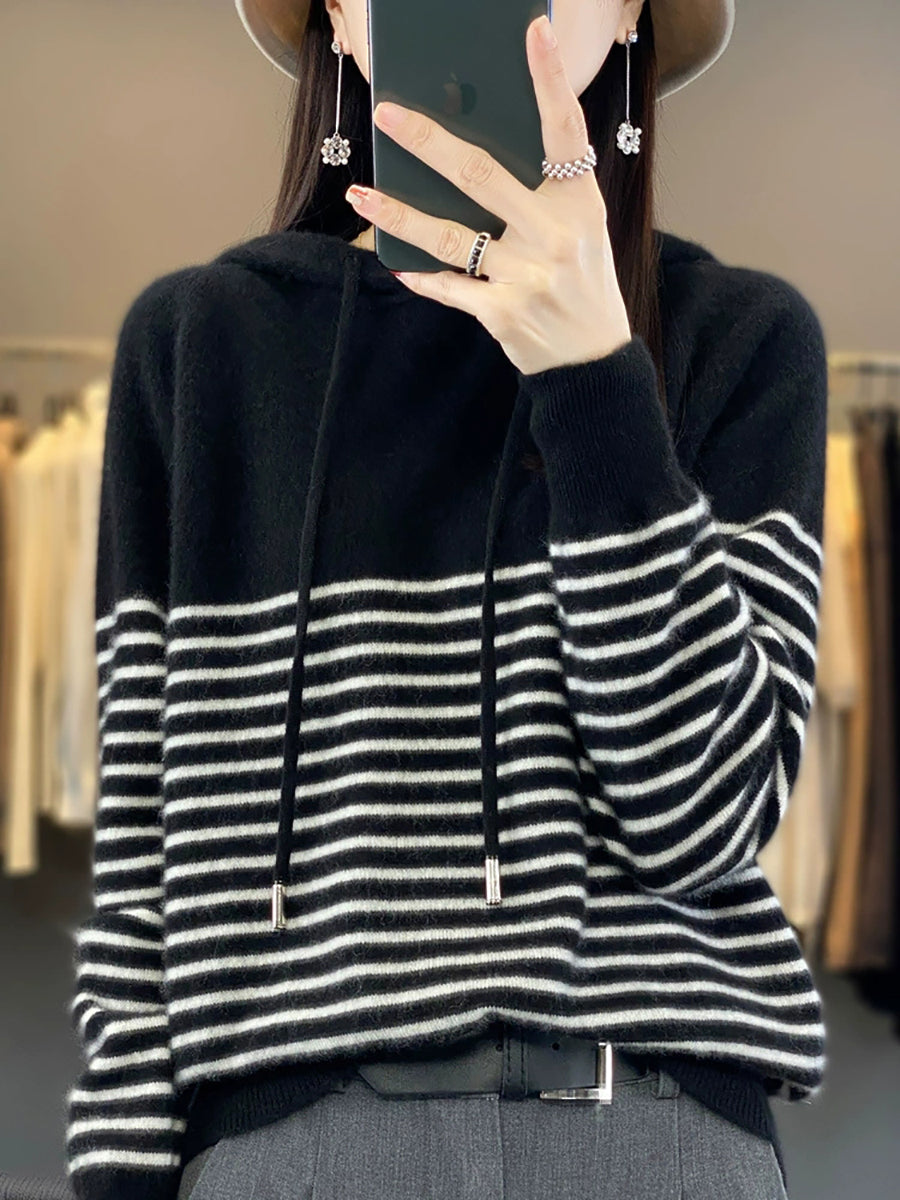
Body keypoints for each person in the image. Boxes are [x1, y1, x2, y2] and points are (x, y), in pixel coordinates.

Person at [64, 1, 828, 1198]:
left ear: (631, 12)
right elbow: (142, 861)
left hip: (656, 1137)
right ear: (339, 14)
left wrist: (596, 383)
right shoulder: (200, 342)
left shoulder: (742, 340)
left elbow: (703, 821)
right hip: (293, 1144)